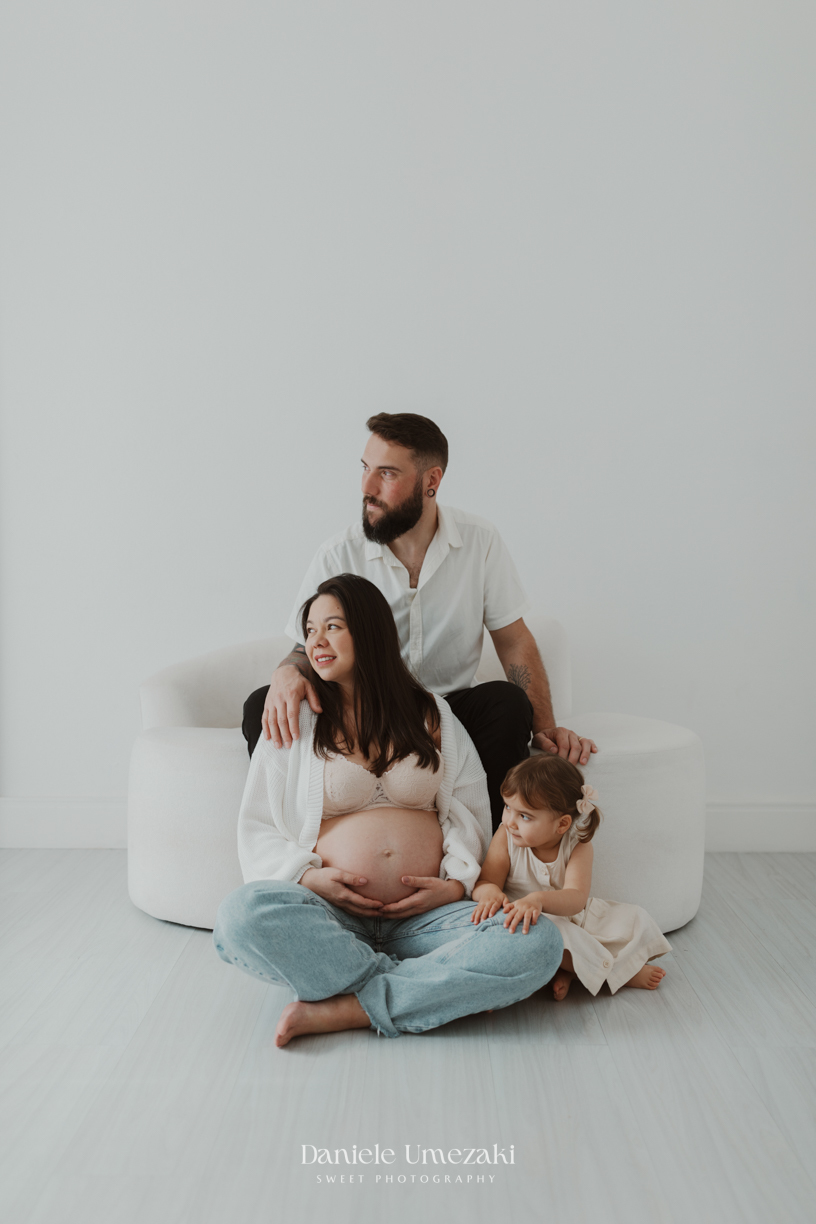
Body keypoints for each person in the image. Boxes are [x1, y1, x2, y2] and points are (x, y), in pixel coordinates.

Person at [214, 573, 564, 1046]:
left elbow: (467, 807)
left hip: (428, 919)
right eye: (310, 629)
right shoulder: (294, 717)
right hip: (330, 916)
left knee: (539, 941)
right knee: (239, 917)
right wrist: (305, 876)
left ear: (371, 631)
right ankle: (411, 987)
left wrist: (457, 882)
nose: (316, 640)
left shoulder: (432, 713)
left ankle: (348, 1006)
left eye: (333, 626)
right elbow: (256, 821)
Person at [243, 412, 597, 830]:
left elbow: (513, 640)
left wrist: (545, 727)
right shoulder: (339, 552)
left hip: (448, 714)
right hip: (363, 713)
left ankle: (488, 859)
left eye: (386, 473)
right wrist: (287, 672)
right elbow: (307, 645)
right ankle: (305, 850)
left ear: (432, 481)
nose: (367, 488)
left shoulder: (480, 541)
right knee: (259, 704)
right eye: (365, 469)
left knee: (506, 703)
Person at [471, 755, 671, 999]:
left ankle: (571, 971)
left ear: (562, 824)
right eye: (507, 807)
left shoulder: (578, 846)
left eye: (524, 816)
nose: (509, 821)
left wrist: (538, 899)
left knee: (633, 919)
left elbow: (576, 898)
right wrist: (489, 892)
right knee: (555, 937)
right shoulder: (505, 837)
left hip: (574, 917)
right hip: (529, 925)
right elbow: (485, 882)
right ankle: (617, 972)